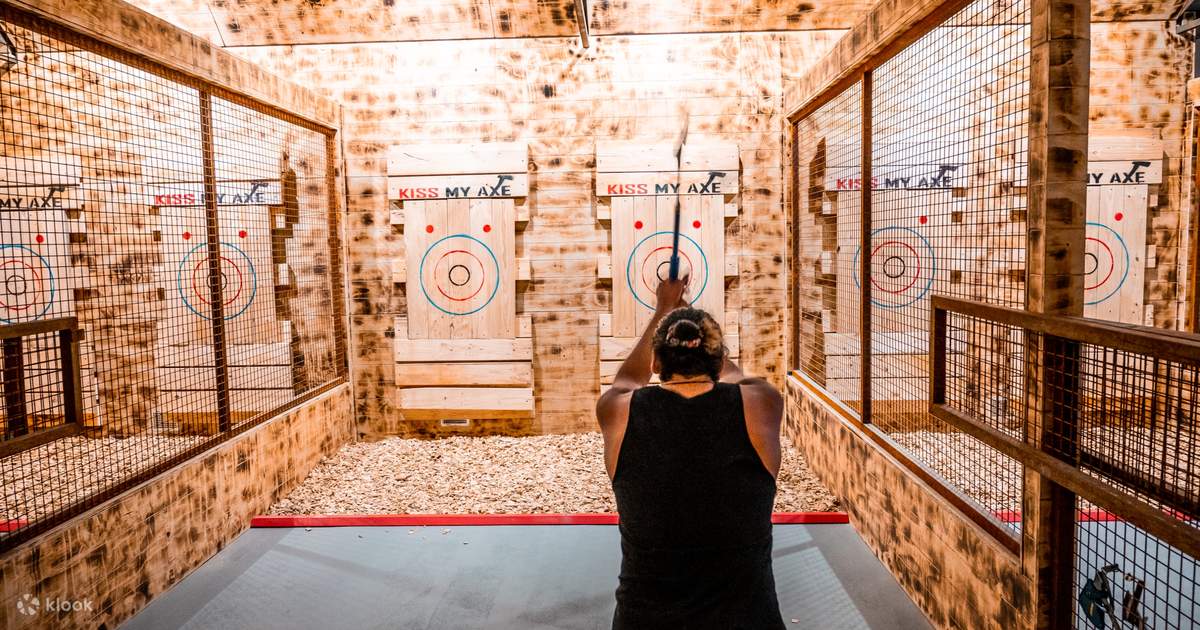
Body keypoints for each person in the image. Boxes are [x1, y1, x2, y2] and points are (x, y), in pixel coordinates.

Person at [595, 275, 786, 630]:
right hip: (747, 621)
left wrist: (663, 309)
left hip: (646, 622)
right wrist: (698, 333)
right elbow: (736, 378)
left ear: (656, 362)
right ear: (717, 359)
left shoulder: (618, 411)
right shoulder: (761, 404)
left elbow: (626, 380)